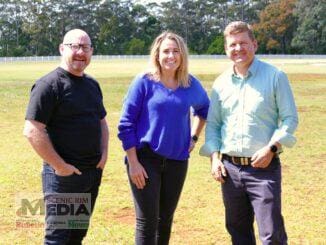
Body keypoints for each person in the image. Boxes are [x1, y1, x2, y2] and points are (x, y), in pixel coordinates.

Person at [200, 21, 298, 244]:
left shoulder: (275, 76)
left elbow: (290, 118)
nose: (238, 48)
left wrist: (272, 148)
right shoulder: (220, 84)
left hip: (263, 168)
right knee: (238, 233)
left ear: (254, 44)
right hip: (230, 170)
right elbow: (214, 125)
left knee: (271, 234)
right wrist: (214, 159)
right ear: (226, 49)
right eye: (232, 45)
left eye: (243, 42)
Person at [118, 31, 209, 245]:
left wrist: (194, 137)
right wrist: (133, 163)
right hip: (145, 160)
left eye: (176, 51)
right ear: (157, 55)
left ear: (182, 55)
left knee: (165, 220)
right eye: (166, 51)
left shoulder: (189, 83)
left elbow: (204, 108)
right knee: (147, 222)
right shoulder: (144, 81)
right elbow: (126, 124)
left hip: (177, 161)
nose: (171, 56)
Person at [23, 29, 109, 244]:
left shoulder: (92, 85)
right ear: (62, 49)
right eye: (74, 46)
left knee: (75, 235)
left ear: (91, 52)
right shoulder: (48, 85)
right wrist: (60, 166)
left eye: (85, 47)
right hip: (64, 178)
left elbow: (102, 122)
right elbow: (32, 129)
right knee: (58, 239)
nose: (80, 52)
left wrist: (104, 154)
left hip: (90, 174)